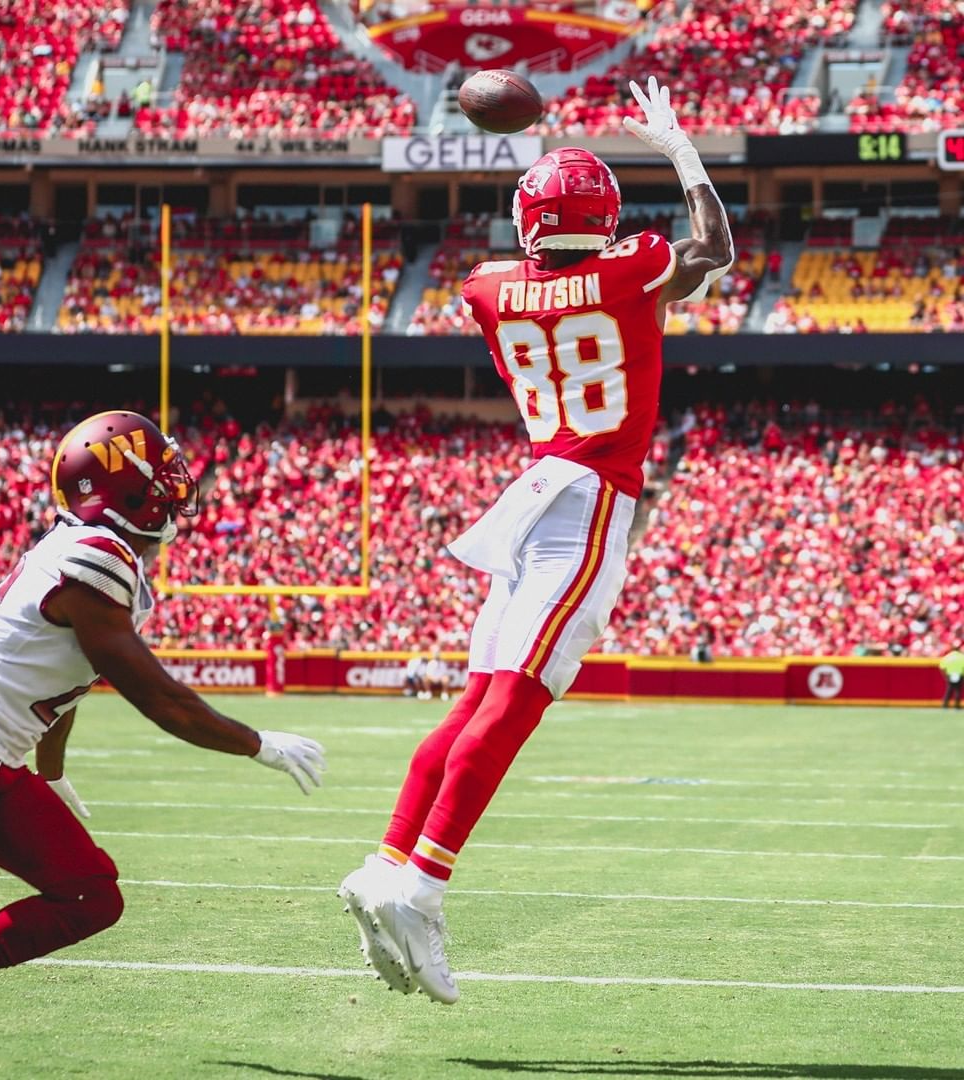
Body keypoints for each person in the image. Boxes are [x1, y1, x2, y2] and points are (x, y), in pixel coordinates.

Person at [338, 76, 733, 1005]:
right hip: (592, 498)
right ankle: (422, 886)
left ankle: (388, 858)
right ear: (605, 219)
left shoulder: (486, 287)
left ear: (525, 219)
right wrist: (678, 150)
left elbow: (558, 264)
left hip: (529, 497)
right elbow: (712, 247)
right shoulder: (632, 263)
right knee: (513, 706)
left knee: (475, 700)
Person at [0, 411, 326, 1074]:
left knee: (91, 894)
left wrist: (52, 771)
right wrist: (256, 744)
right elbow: (159, 698)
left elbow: (71, 680)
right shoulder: (93, 557)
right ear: (122, 488)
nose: (176, 480)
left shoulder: (93, 553)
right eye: (160, 469)